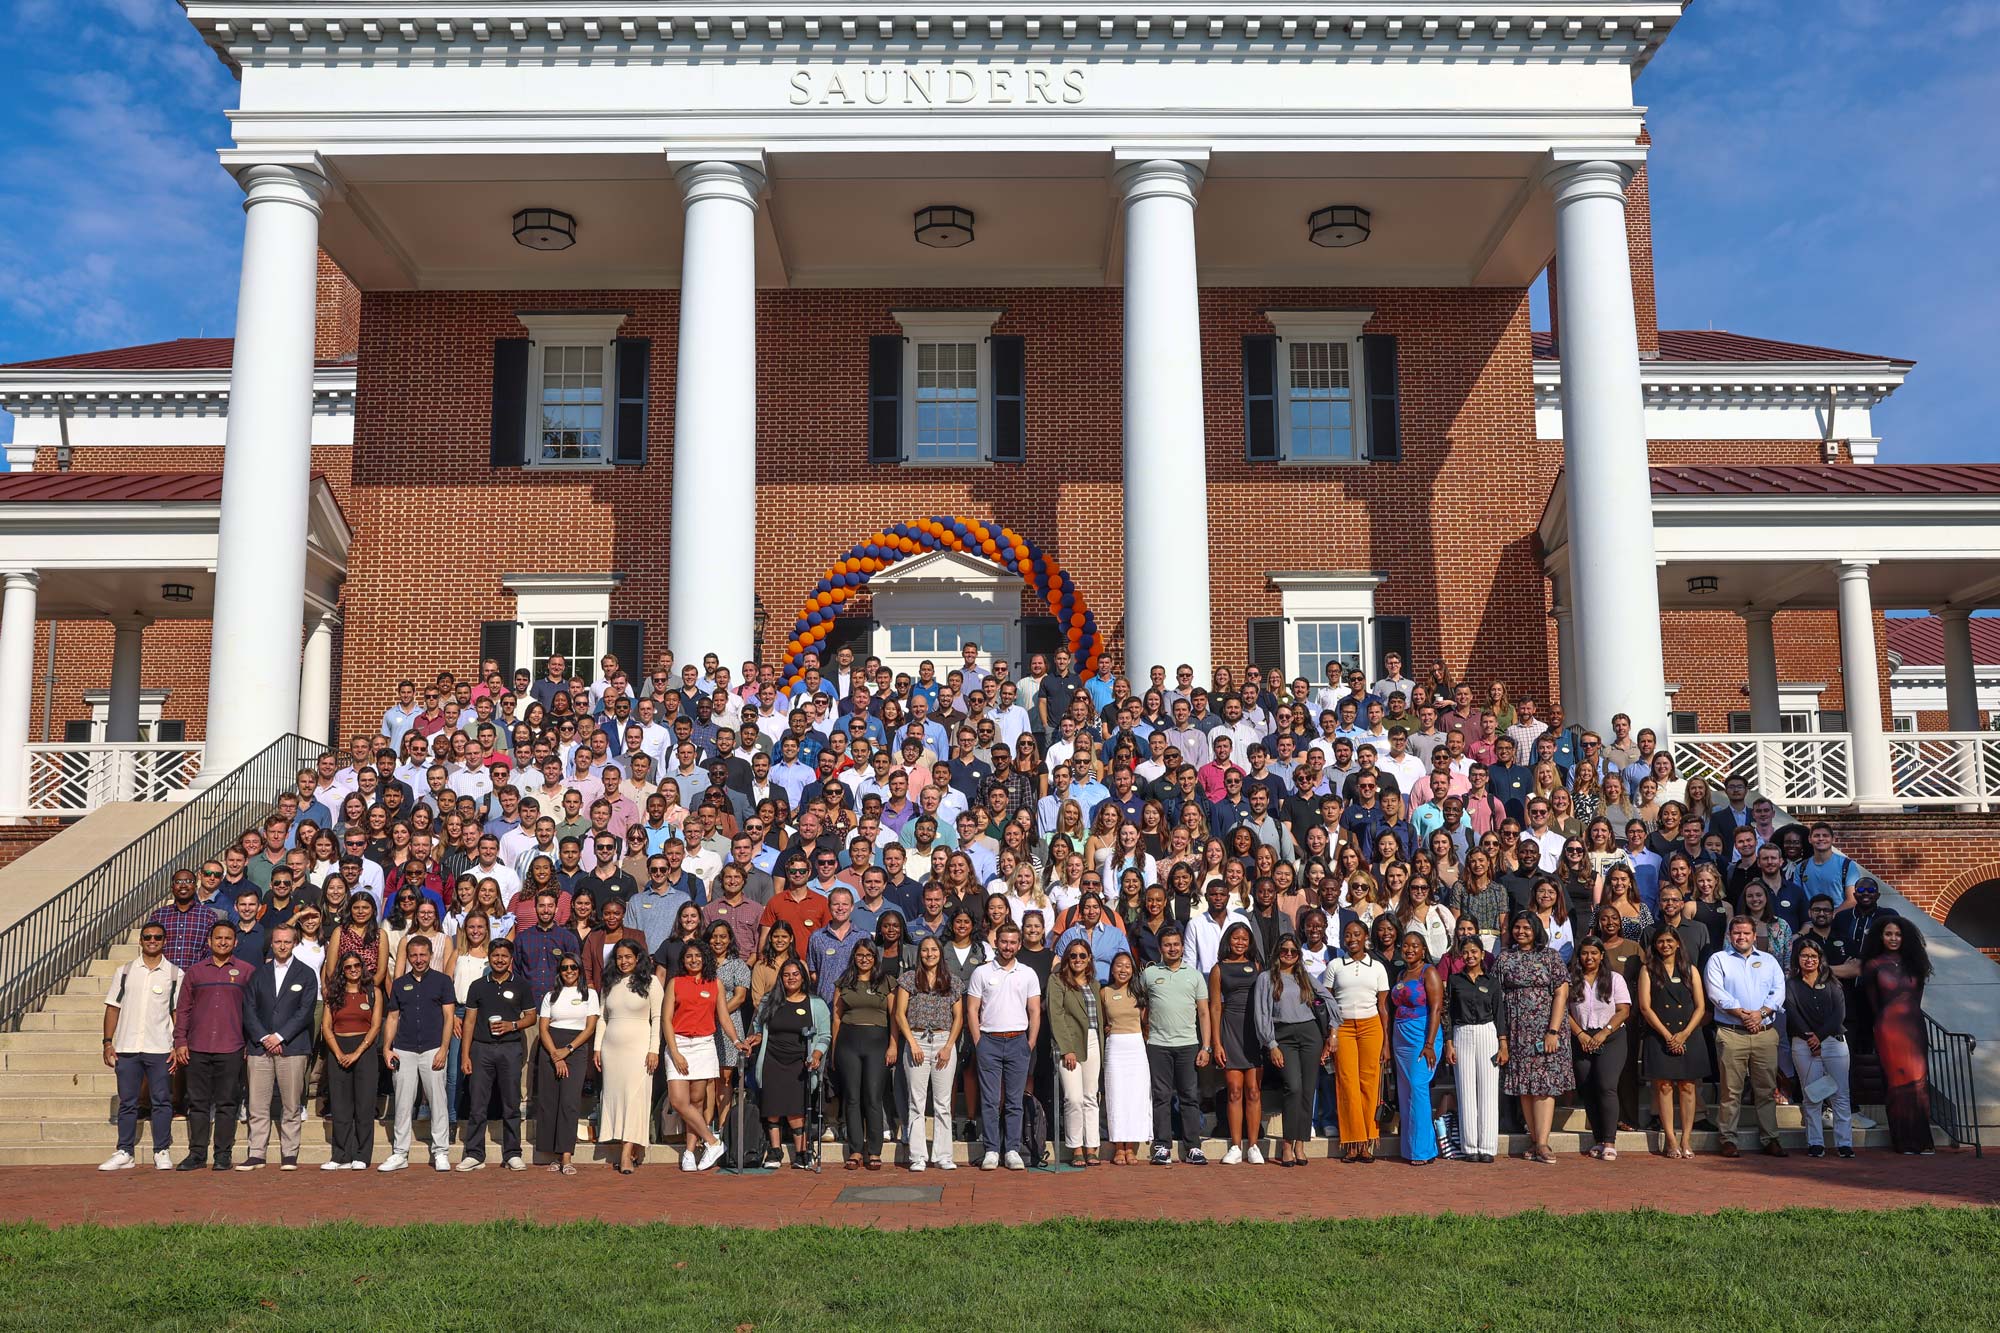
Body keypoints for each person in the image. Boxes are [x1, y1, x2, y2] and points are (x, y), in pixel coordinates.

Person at [98, 923, 183, 1172]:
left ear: (165, 941)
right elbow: (113, 1008)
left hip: (160, 1047)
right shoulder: (124, 972)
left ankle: (161, 1150)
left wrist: (178, 1045)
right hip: (127, 1046)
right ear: (140, 940)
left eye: (157, 937)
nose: (152, 941)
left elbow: (178, 1013)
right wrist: (107, 1042)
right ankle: (125, 1151)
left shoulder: (175, 974)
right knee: (128, 1101)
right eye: (147, 937)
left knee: (162, 1101)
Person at [172, 920, 254, 1171]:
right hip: (197, 1046)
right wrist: (180, 1041)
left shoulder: (247, 971)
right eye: (218, 938)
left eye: (228, 938)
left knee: (227, 1103)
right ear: (209, 941)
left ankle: (222, 1154)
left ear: (235, 942)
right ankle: (196, 1154)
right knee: (197, 1102)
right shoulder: (195, 972)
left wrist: (249, 1043)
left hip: (231, 1047)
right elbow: (183, 1010)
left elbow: (252, 1011)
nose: (223, 942)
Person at [1704, 914, 1787, 1158]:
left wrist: (1760, 1014)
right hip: (1732, 1033)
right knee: (1731, 1090)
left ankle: (1770, 1138)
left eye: (1746, 933)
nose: (1741, 937)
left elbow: (1778, 990)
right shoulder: (1719, 960)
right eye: (1737, 933)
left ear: (1754, 936)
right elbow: (1716, 993)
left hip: (1764, 1033)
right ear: (1730, 935)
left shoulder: (1770, 961)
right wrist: (1744, 1015)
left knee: (1766, 1089)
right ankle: (1728, 1138)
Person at [241, 922, 320, 1170]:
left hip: (293, 1047)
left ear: (294, 943)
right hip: (260, 1048)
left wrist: (280, 1036)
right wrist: (265, 1037)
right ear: (272, 943)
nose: (282, 946)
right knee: (257, 1104)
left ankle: (289, 1153)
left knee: (291, 1105)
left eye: (287, 941)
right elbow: (249, 1009)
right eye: (278, 941)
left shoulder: (306, 974)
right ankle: (256, 1152)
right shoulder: (258, 974)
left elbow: (305, 1011)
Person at [1495, 909, 1572, 1164]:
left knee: (1544, 1086)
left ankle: (1543, 1142)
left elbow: (1561, 993)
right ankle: (1534, 1140)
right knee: (1524, 1086)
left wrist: (1553, 1030)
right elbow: (1496, 996)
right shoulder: (1505, 958)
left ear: (1536, 930)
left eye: (1527, 928)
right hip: (1517, 1031)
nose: (1521, 932)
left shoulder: (1550, 957)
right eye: (1517, 927)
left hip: (1545, 1029)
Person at [965, 922, 1042, 1170]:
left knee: (1014, 1100)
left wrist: (1030, 1042)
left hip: (1018, 1040)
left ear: (1019, 945)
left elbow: (1034, 1011)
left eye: (1012, 942)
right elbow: (972, 1009)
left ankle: (1012, 1149)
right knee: (989, 1100)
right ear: (996, 943)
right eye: (1004, 942)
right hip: (989, 1040)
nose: (1008, 947)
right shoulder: (982, 973)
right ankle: (991, 1149)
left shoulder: (1028, 973)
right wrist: (979, 1042)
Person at [742, 958, 831, 1168]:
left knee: (796, 1109)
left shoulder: (815, 1004)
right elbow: (759, 1028)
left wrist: (817, 1055)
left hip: (800, 1063)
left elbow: (825, 1035)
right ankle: (775, 1152)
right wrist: (756, 1038)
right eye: (786, 975)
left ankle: (802, 1153)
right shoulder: (768, 1001)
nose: (791, 978)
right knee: (772, 1108)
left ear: (803, 977)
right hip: (772, 1059)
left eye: (795, 974)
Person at [458, 937, 538, 1171]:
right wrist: (465, 1055)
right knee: (477, 1104)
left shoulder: (521, 985)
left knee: (511, 1102)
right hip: (481, 1048)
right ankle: (474, 1153)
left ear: (511, 959)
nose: (499, 960)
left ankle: (512, 1152)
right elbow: (469, 1022)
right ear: (489, 958)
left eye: (504, 956)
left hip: (510, 1048)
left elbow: (531, 1016)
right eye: (495, 956)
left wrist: (512, 1025)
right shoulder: (478, 986)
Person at [380, 934, 458, 1172]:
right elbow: (393, 1017)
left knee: (438, 1102)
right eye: (413, 955)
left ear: (430, 955)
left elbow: (448, 1017)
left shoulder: (443, 981)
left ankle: (441, 1151)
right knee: (403, 1103)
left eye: (423, 954)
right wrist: (386, 1047)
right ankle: (400, 1153)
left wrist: (444, 1049)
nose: (418, 959)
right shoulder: (400, 983)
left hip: (433, 1048)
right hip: (404, 1049)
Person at [1257, 935, 1332, 1167]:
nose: (1289, 954)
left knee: (1309, 1089)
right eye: (1284, 950)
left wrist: (1333, 1031)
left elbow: (1328, 998)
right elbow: (1261, 1014)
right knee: (1293, 1087)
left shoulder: (1304, 977)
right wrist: (1271, 1044)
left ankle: (1301, 1143)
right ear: (1277, 952)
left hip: (1309, 1033)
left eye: (1293, 951)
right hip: (1283, 1035)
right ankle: (1287, 1143)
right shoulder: (1266, 978)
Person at [1861, 916, 1933, 1155]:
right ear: (1881, 937)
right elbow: (1873, 1004)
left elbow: (1917, 999)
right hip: (1888, 1030)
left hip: (1913, 1027)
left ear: (1905, 937)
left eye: (1898, 934)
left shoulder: (1916, 964)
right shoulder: (1873, 965)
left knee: (1919, 1085)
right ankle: (1904, 1142)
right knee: (1896, 1085)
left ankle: (1923, 1141)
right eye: (1889, 934)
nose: (1893, 938)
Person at [1635, 925, 1708, 1159]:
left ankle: (1686, 1138)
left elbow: (1701, 1007)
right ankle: (1670, 1138)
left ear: (1678, 943)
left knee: (1688, 1086)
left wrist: (1684, 1034)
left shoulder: (1691, 969)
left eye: (1669, 941)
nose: (1665, 945)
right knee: (1663, 1086)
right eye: (1660, 941)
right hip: (1660, 1036)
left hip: (1688, 1035)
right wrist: (1668, 1037)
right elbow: (1645, 1007)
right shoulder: (1647, 970)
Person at [1140, 925, 1211, 1166]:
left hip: (1188, 1044)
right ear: (1160, 948)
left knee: (1189, 1096)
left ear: (1182, 946)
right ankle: (1162, 1145)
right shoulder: (1149, 974)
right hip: (1158, 1044)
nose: (1172, 948)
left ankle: (1193, 1146)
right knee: (1160, 1096)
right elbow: (1140, 1006)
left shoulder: (1194, 975)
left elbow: (1204, 1012)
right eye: (1167, 944)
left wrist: (1206, 1046)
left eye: (1176, 944)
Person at [894, 934, 964, 1171]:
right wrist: (912, 1043)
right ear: (919, 953)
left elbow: (959, 1018)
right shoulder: (908, 979)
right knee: (917, 1101)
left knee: (943, 1103)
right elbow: (899, 1014)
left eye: (933, 950)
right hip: (917, 1041)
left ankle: (943, 1155)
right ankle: (917, 1156)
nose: (929, 954)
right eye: (925, 950)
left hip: (944, 1041)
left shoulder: (952, 981)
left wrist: (948, 1046)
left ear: (940, 953)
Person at [661, 939, 729, 1171]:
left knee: (697, 1100)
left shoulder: (715, 983)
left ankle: (690, 1152)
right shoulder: (675, 982)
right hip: (678, 1042)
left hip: (704, 1045)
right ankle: (713, 1141)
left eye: (698, 956)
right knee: (679, 1101)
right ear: (683, 960)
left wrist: (737, 1040)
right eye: (689, 956)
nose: (693, 960)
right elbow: (666, 1020)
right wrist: (676, 1053)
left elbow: (724, 1017)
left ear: (705, 958)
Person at [595, 939, 662, 1174]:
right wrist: (597, 1047)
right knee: (617, 1098)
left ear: (638, 958)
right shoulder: (609, 983)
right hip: (611, 1049)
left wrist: (654, 1049)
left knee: (635, 1099)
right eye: (620, 957)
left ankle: (626, 1154)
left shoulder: (651, 982)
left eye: (628, 957)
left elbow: (659, 1018)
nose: (624, 961)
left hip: (640, 1048)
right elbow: (602, 1017)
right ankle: (631, 1145)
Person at [1327, 918, 1391, 1164]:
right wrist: (1330, 1035)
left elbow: (1383, 1008)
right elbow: (1329, 1005)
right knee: (1347, 1083)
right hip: (1343, 1028)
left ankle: (1367, 1141)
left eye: (1357, 934)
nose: (1352, 939)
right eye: (1348, 935)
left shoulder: (1377, 967)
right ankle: (1352, 1142)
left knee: (1369, 1083)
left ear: (1366, 937)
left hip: (1370, 1027)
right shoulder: (1335, 965)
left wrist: (1386, 1042)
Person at [831, 941, 897, 1171]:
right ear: (854, 957)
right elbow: (837, 1018)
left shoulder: (886, 982)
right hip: (848, 1043)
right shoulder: (844, 982)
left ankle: (875, 1150)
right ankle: (856, 1149)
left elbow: (894, 1017)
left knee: (873, 1096)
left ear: (875, 958)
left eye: (869, 955)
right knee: (851, 1098)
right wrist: (833, 1049)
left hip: (877, 1043)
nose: (865, 959)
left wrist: (893, 1045)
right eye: (860, 955)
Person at [1565, 936, 1631, 1161]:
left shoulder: (1615, 979)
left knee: (1606, 1085)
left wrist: (1605, 1032)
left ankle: (1610, 1141)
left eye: (1594, 953)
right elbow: (1565, 1011)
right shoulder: (1571, 979)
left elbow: (1623, 1010)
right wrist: (1581, 1034)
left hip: (1611, 1037)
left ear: (1602, 955)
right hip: (1582, 1036)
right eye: (1585, 953)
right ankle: (1598, 1139)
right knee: (1587, 1087)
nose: (1589, 957)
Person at [1786, 937, 1852, 1159]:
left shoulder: (1832, 982)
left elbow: (1839, 1014)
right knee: (1812, 1095)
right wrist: (1810, 1038)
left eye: (1814, 956)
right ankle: (1815, 1142)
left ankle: (1844, 1143)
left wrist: (1819, 1038)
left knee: (1840, 1095)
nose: (1809, 960)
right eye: (1805, 956)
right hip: (1803, 1044)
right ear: (1798, 958)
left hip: (1834, 1043)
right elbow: (1793, 1013)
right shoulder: (1791, 984)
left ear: (1820, 959)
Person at [1208, 922, 1267, 1164]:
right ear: (1227, 941)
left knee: (1253, 1091)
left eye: (1244, 939)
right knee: (1234, 1090)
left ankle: (1253, 1146)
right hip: (1230, 1030)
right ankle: (1235, 1146)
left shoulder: (1257, 966)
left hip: (1254, 1031)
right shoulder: (1218, 969)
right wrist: (1216, 1043)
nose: (1240, 943)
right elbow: (1214, 1006)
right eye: (1235, 938)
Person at [319, 951, 382, 1170]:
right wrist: (338, 1053)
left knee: (364, 1105)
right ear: (342, 970)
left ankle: (362, 1156)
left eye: (356, 965)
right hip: (338, 1048)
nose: (353, 969)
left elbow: (375, 1026)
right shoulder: (333, 994)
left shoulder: (373, 993)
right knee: (340, 1106)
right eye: (348, 966)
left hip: (364, 1051)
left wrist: (357, 1052)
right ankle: (340, 1156)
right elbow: (326, 1026)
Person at [1442, 935, 1500, 1163]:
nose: (1470, 956)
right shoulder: (1455, 980)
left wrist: (1503, 1043)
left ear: (1482, 953)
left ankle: (1487, 1146)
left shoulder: (1492, 982)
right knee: (1466, 1088)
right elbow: (1448, 1012)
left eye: (1474, 951)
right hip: (1462, 1032)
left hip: (1487, 1032)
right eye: (1466, 952)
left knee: (1488, 1090)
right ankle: (1470, 1146)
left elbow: (1499, 1014)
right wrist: (1449, 1043)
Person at [1048, 938, 1105, 1167]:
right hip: (1070, 1043)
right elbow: (1056, 1015)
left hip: (1093, 1041)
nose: (1078, 960)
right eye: (1073, 956)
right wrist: (1066, 1048)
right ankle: (1076, 1148)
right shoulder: (1057, 981)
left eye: (1083, 956)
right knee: (1073, 1097)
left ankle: (1092, 1146)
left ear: (1089, 958)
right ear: (1067, 959)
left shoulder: (1094, 984)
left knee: (1091, 1096)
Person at [1388, 930, 1444, 1165]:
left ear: (1423, 950)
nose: (1409, 949)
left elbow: (1436, 1008)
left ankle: (1424, 1150)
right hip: (1401, 1038)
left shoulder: (1428, 972)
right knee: (1405, 1093)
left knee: (1418, 1088)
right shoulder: (1401, 973)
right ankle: (1413, 1149)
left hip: (1422, 1036)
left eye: (1415, 946)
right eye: (1406, 946)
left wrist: (1429, 1044)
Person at [1100, 951, 1151, 1166]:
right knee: (1116, 1097)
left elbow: (1146, 1024)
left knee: (1135, 1097)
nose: (1123, 970)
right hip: (1115, 1048)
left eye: (1127, 966)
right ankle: (1118, 1147)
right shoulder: (1104, 992)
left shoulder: (1138, 993)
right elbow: (1102, 1023)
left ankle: (1131, 1147)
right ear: (1112, 969)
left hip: (1136, 1047)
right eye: (1119, 966)